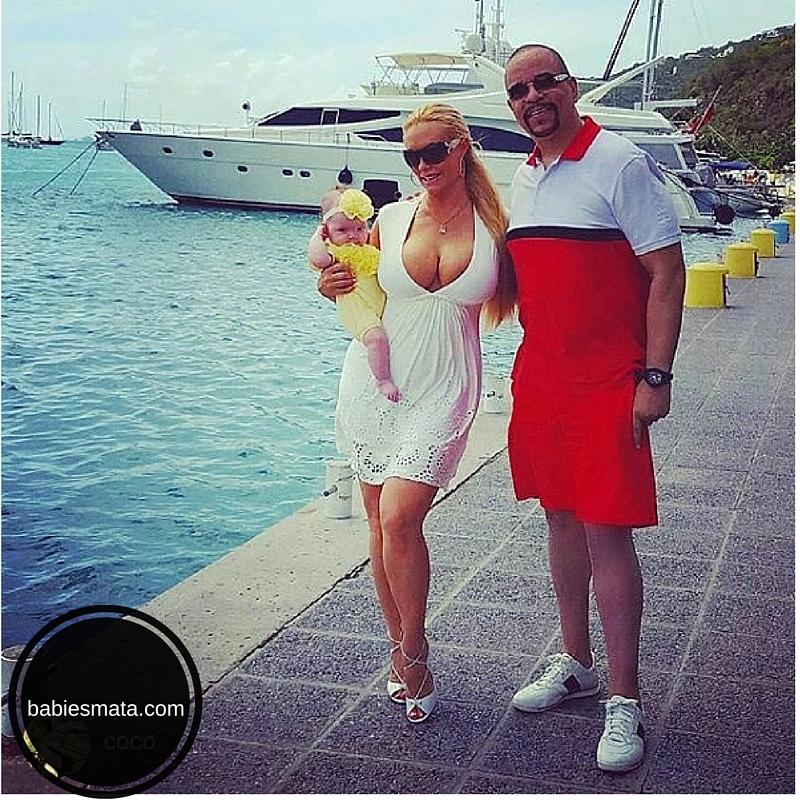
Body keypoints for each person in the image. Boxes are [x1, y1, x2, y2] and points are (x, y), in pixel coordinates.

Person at [502, 44, 686, 772]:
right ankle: (576, 661)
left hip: (609, 380)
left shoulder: (619, 161)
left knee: (608, 533)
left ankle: (624, 697)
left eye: (544, 82)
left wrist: (655, 376)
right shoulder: (523, 176)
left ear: (570, 87)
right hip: (542, 379)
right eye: (519, 90)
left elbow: (667, 271)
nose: (532, 97)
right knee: (559, 518)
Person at [317, 102, 516, 723]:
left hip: (446, 384)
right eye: (412, 156)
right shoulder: (391, 217)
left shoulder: (498, 226)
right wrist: (327, 286)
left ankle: (414, 647)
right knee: (381, 524)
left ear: (461, 147)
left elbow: (543, 298)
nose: (423, 165)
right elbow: (352, 281)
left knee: (401, 515)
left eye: (434, 151)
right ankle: (404, 651)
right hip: (375, 382)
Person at [308, 187, 401, 402]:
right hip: (357, 308)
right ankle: (383, 380)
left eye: (360, 228)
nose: (353, 235)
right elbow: (318, 259)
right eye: (342, 230)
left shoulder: (369, 251)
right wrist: (318, 237)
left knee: (380, 336)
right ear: (327, 231)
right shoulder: (335, 254)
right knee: (376, 338)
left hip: (376, 305)